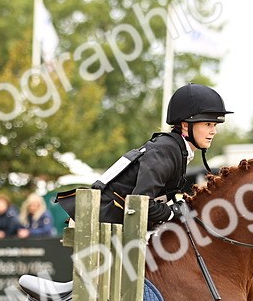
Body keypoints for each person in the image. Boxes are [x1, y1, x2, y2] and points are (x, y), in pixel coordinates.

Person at [55, 82, 230, 229]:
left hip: (114, 221)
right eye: (208, 124)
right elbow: (140, 204)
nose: (213, 131)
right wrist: (172, 212)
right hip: (98, 222)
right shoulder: (166, 150)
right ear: (185, 126)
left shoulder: (176, 148)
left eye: (214, 125)